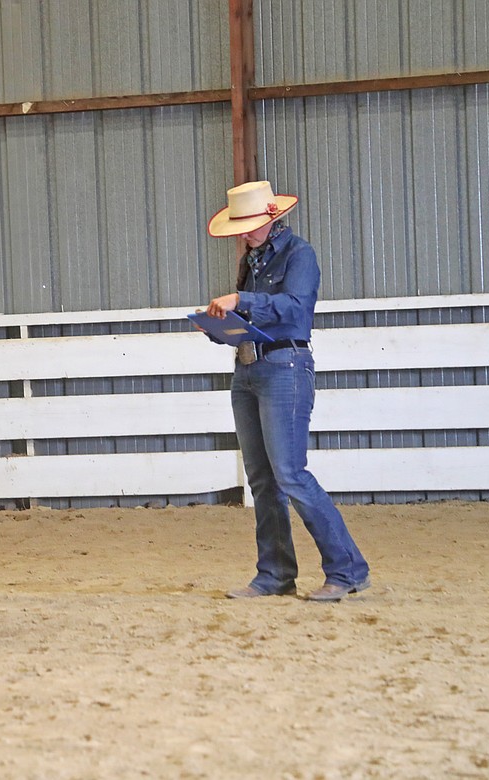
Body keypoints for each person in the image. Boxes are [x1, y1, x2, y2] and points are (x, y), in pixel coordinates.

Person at [203, 180, 370, 602]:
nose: (244, 234)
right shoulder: (254, 261)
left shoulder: (301, 255)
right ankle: (276, 574)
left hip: (284, 368)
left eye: (249, 225)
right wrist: (221, 326)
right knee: (263, 478)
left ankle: (347, 569)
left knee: (290, 474)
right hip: (251, 368)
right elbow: (261, 317)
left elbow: (298, 309)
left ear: (272, 219)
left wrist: (242, 300)